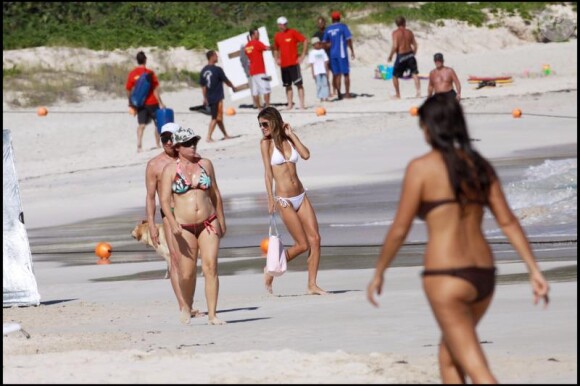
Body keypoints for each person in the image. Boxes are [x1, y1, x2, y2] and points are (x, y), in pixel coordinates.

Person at [367, 94, 550, 384]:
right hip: (484, 276)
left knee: (477, 370)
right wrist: (534, 270)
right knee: (449, 357)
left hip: (446, 276)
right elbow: (508, 221)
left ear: (429, 128)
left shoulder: (422, 168)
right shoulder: (479, 166)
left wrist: (379, 272)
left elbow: (399, 229)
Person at [159, 126, 228, 326]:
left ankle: (212, 315)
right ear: (178, 147)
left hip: (208, 223)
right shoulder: (170, 170)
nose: (193, 146)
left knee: (210, 267)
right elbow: (164, 201)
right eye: (188, 143)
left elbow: (215, 193)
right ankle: (186, 306)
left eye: (194, 142)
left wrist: (221, 220)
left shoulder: (206, 164)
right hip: (184, 226)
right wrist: (172, 223)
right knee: (187, 273)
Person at [257, 107, 326, 295]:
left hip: (301, 195)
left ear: (275, 122)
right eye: (260, 125)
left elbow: (305, 154)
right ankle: (271, 270)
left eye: (265, 124)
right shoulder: (265, 144)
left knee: (316, 240)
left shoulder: (288, 139)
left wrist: (292, 135)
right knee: (302, 245)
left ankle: (312, 284)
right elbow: (267, 173)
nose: (262, 128)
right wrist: (270, 199)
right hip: (284, 199)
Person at [145, 122, 201, 318]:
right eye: (164, 138)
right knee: (176, 260)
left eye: (171, 138)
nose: (168, 142)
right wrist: (151, 225)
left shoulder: (188, 158)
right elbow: (151, 197)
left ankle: (189, 301)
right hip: (169, 216)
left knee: (191, 262)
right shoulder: (154, 165)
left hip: (191, 215)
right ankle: (183, 305)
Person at [125, 51, 166, 152]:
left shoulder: (132, 73)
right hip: (152, 102)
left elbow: (128, 89)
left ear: (137, 60)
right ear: (145, 60)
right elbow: (155, 89)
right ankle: (157, 144)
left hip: (140, 104)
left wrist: (131, 102)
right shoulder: (150, 73)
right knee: (157, 124)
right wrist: (161, 102)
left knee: (141, 125)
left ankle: (139, 146)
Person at [200, 50, 238, 143]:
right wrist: (232, 86)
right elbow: (226, 81)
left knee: (218, 118)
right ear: (212, 57)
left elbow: (203, 87)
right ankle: (208, 137)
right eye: (216, 56)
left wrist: (205, 98)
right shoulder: (217, 70)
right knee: (215, 118)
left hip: (209, 97)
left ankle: (225, 135)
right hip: (217, 97)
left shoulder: (203, 70)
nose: (217, 57)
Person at [273, 16, 308, 110]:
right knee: (287, 85)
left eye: (285, 24)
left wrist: (303, 55)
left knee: (299, 84)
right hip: (284, 65)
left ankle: (302, 104)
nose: (283, 26)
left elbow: (304, 40)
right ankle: (290, 104)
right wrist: (276, 59)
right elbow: (276, 48)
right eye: (281, 24)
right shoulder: (277, 36)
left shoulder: (292, 32)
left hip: (294, 63)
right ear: (278, 25)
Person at [322, 11, 355, 99]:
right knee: (346, 74)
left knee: (337, 74)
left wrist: (328, 47)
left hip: (332, 54)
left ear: (332, 19)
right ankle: (347, 94)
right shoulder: (343, 27)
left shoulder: (328, 29)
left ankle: (339, 94)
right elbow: (348, 40)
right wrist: (352, 50)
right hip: (342, 53)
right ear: (339, 18)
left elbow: (324, 43)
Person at [387, 16, 421, 99]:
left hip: (401, 56)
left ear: (396, 24)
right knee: (414, 73)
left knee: (395, 75)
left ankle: (398, 94)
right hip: (410, 54)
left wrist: (390, 56)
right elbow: (415, 45)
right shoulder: (409, 32)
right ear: (404, 22)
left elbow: (395, 46)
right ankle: (418, 93)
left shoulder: (395, 33)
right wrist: (413, 54)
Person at [244, 27, 272, 109]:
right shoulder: (257, 43)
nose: (259, 35)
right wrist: (275, 47)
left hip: (252, 71)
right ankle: (267, 106)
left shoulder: (247, 46)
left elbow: (249, 52)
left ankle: (259, 108)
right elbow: (267, 48)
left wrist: (249, 42)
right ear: (253, 35)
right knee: (267, 89)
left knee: (255, 91)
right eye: (257, 34)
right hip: (260, 70)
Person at [313, 16, 334, 97]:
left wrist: (323, 45)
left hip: (330, 54)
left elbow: (331, 43)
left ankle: (334, 90)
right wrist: (324, 45)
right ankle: (328, 91)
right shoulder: (316, 35)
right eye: (319, 22)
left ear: (325, 23)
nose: (320, 24)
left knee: (334, 73)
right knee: (324, 75)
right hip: (320, 58)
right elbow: (315, 46)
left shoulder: (329, 32)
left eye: (321, 22)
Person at [308, 37, 330, 102]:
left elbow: (326, 61)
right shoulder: (312, 52)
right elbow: (312, 64)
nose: (318, 45)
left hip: (323, 70)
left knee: (325, 84)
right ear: (313, 45)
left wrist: (327, 70)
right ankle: (321, 97)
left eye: (319, 43)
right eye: (316, 44)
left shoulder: (322, 51)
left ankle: (325, 97)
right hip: (317, 71)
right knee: (318, 84)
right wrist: (313, 73)